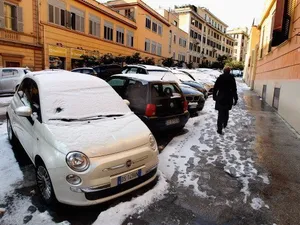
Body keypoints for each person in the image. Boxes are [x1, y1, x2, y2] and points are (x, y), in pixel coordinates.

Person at [213, 67, 238, 135]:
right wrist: (235, 98)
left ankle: (219, 129)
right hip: (228, 98)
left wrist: (214, 96)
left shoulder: (220, 78)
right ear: (229, 71)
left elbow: (215, 88)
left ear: (223, 71)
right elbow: (234, 90)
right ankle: (225, 123)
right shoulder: (232, 78)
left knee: (220, 114)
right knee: (226, 112)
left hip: (220, 97)